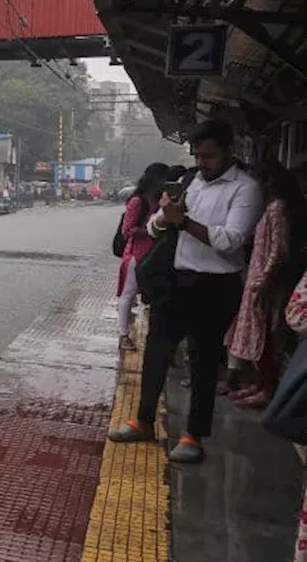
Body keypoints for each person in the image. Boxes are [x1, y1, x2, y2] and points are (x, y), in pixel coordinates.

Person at [108, 120, 263, 464]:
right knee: (156, 351)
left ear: (229, 151)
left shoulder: (246, 188)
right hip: (175, 278)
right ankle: (144, 420)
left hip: (215, 284)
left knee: (203, 360)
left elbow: (231, 240)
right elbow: (153, 227)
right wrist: (164, 216)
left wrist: (182, 221)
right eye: (197, 155)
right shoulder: (190, 181)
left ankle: (193, 434)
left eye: (208, 155)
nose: (201, 162)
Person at [223, 160, 305, 409]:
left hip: (268, 282)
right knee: (259, 334)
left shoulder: (277, 209)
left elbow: (279, 250)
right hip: (259, 278)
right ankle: (260, 385)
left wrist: (265, 279)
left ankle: (268, 389)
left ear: (267, 181)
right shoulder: (268, 207)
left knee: (268, 335)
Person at [115, 163, 169, 351]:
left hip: (154, 255)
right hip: (136, 255)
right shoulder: (138, 201)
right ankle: (123, 334)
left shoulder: (161, 200)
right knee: (128, 294)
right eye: (164, 178)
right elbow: (127, 230)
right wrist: (151, 229)